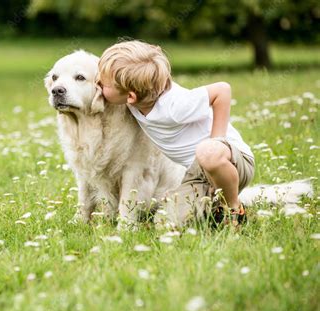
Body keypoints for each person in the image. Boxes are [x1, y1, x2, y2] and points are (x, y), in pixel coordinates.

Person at [97, 40, 255, 226]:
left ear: (130, 97)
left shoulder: (175, 106)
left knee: (208, 152)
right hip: (198, 174)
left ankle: (233, 209)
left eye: (103, 83)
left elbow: (222, 90)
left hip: (232, 161)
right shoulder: (138, 100)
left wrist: (217, 141)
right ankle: (213, 208)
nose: (97, 83)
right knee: (165, 223)